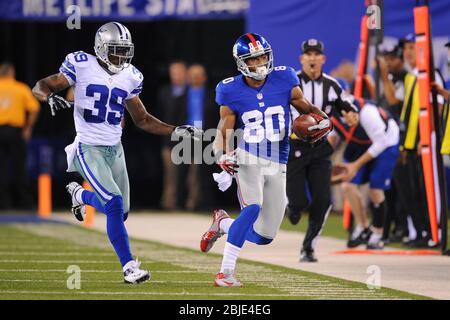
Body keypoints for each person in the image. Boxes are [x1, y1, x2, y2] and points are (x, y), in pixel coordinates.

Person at [32, 22, 202, 284]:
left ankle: (80, 194)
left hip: (116, 149)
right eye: (115, 51)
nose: (120, 57)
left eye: (124, 51)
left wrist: (176, 130)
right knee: (113, 204)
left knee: (120, 214)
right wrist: (48, 97)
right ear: (100, 48)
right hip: (89, 147)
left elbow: (142, 119)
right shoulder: (81, 63)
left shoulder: (131, 76)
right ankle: (129, 267)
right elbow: (42, 84)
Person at [199, 33, 332, 287]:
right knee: (253, 207)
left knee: (264, 236)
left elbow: (306, 108)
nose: (260, 63)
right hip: (247, 155)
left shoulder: (284, 78)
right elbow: (224, 129)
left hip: (279, 160)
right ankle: (225, 272)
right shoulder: (229, 89)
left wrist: (324, 119)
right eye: (253, 59)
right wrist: (221, 155)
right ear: (241, 62)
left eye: (263, 57)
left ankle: (223, 223)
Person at [286, 39, 359, 262]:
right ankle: (294, 207)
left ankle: (308, 247)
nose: (312, 58)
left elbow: (347, 106)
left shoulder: (333, 85)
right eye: (308, 54)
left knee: (323, 200)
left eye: (316, 54)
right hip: (295, 145)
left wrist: (351, 114)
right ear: (301, 59)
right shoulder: (291, 82)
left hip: (321, 147)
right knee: (299, 202)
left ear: (323, 59)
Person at [332, 99, 400, 249]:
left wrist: (355, 165)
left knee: (375, 188)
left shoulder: (367, 113)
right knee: (347, 186)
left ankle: (377, 234)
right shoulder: (331, 112)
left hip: (387, 142)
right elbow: (332, 137)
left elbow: (381, 142)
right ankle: (363, 227)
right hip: (362, 143)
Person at [0, 62, 40, 210]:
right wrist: (28, 128)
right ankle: (24, 203)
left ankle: (4, 204)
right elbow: (34, 108)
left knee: (1, 169)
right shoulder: (20, 88)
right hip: (16, 132)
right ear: (11, 73)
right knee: (19, 168)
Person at [158, 60, 187, 210]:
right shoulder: (164, 92)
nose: (176, 75)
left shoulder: (192, 93)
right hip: (169, 140)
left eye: (179, 72)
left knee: (190, 175)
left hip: (190, 141)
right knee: (171, 175)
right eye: (173, 72)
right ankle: (169, 204)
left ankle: (190, 204)